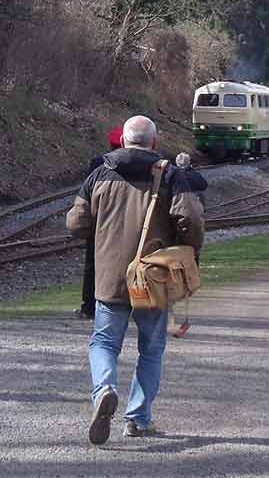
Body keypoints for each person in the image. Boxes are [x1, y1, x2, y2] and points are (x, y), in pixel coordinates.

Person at [66, 116, 204, 445]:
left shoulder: (99, 174)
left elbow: (75, 224)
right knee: (151, 350)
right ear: (153, 143)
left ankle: (105, 389)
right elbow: (192, 218)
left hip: (110, 279)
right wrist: (186, 246)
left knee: (103, 343)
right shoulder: (170, 174)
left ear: (123, 141)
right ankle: (138, 419)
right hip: (153, 276)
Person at [76, 126, 123, 320]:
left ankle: (89, 306)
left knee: (92, 265)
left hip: (99, 222)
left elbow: (87, 192)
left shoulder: (97, 163)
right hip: (122, 222)